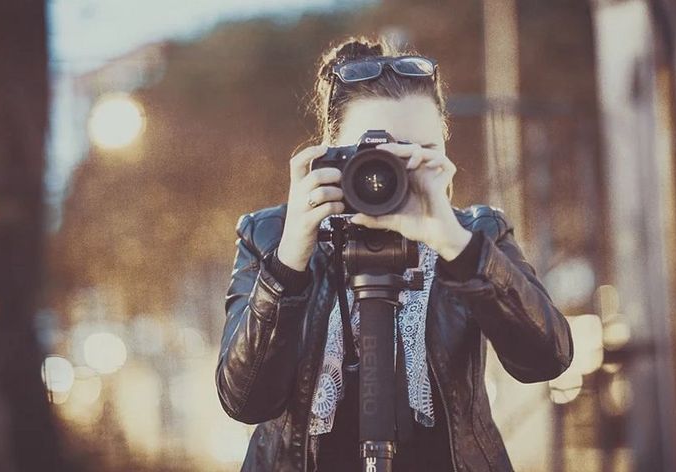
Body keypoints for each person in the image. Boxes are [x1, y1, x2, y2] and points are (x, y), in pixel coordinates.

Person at [216, 36, 574, 472]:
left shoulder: (474, 234)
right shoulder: (270, 235)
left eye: (419, 154)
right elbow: (244, 401)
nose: (391, 175)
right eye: (375, 154)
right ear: (330, 153)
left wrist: (455, 245)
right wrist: (289, 261)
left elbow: (547, 360)